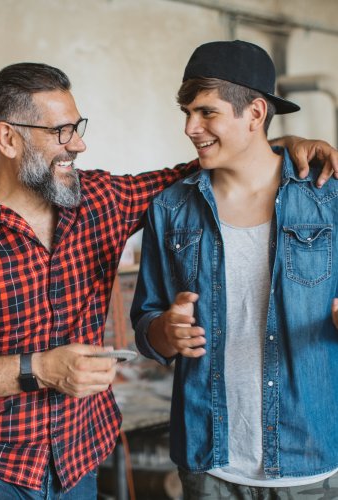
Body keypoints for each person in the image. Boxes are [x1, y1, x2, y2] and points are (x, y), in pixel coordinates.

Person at [0, 62, 335, 500]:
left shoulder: (99, 201)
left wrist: (275, 144)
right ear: (8, 138)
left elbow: (198, 170)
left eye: (77, 127)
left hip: (79, 460)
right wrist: (41, 369)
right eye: (62, 132)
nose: (79, 144)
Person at [131, 40, 338, 500]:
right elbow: (147, 324)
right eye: (186, 112)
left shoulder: (328, 200)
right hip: (209, 466)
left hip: (309, 462)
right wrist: (164, 330)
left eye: (207, 112)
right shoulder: (169, 209)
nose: (190, 127)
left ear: (256, 112)